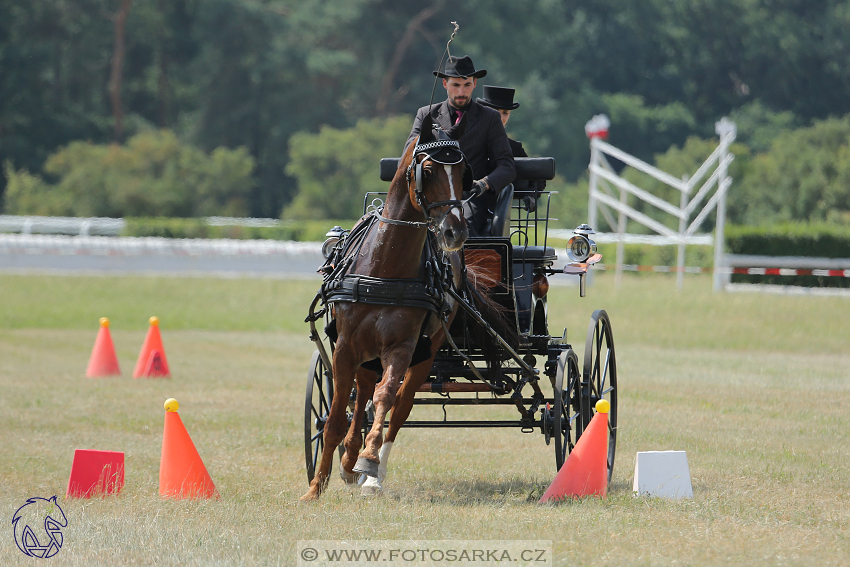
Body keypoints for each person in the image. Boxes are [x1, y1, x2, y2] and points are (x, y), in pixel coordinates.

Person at [405, 55, 515, 236]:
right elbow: (408, 154)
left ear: (475, 83)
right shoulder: (426, 114)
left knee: (461, 228)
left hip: (467, 200)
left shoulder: (490, 118)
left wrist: (483, 184)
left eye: (467, 85)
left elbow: (507, 166)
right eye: (455, 85)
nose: (461, 92)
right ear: (444, 84)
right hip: (429, 198)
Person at [475, 85, 546, 212]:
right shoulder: (470, 140)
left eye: (505, 113)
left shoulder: (514, 147)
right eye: (495, 111)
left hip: (496, 211)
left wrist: (531, 194)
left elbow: (537, 176)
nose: (500, 117)